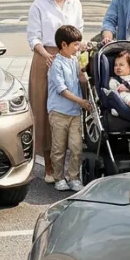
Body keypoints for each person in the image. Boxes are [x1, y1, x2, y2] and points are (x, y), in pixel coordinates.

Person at [26, 0, 85, 183]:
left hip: (70, 59)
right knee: (44, 110)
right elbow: (33, 37)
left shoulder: (75, 4)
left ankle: (71, 164)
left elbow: (79, 32)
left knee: (70, 107)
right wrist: (46, 54)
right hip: (45, 59)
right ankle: (49, 165)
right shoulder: (39, 5)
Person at [47, 24, 91, 192]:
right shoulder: (55, 64)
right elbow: (62, 90)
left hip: (74, 112)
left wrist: (83, 70)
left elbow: (81, 79)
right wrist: (81, 101)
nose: (77, 48)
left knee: (76, 147)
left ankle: (74, 177)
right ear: (63, 45)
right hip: (59, 112)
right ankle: (59, 177)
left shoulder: (74, 60)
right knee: (58, 148)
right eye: (75, 45)